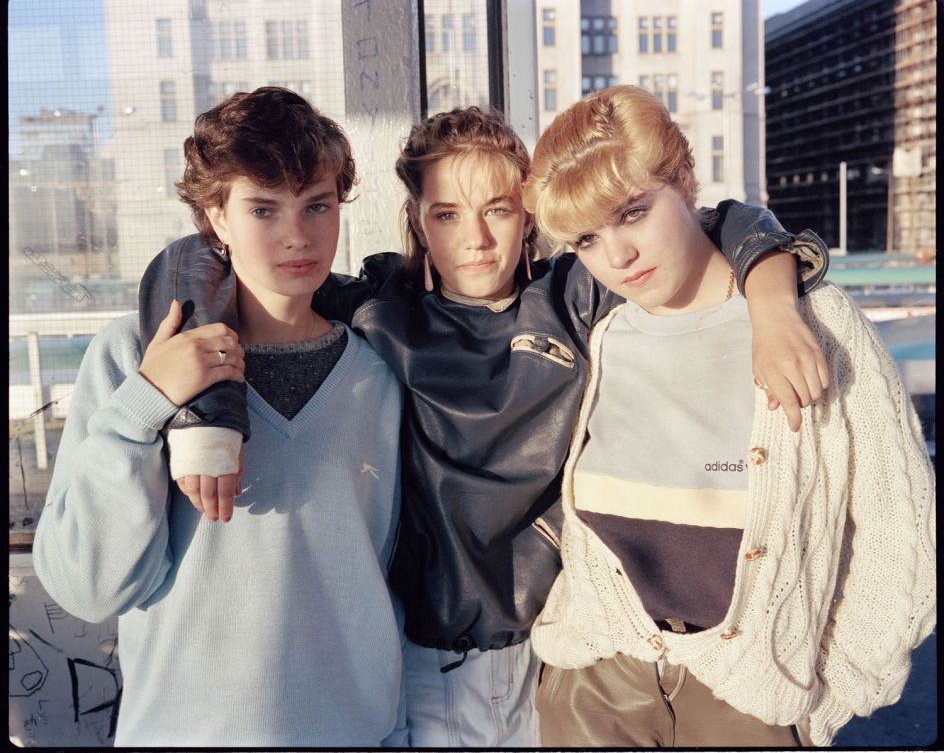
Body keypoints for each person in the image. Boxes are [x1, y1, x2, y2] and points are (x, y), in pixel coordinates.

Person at [136, 101, 831, 746]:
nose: (475, 239)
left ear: (528, 217)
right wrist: (205, 419)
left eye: (497, 209)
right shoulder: (379, 308)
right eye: (446, 215)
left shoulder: (573, 296)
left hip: (551, 657)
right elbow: (193, 259)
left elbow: (720, 223)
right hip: (419, 664)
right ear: (417, 223)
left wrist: (773, 307)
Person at [523, 85, 936, 747]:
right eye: (588, 239)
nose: (618, 256)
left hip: (751, 695)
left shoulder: (815, 322)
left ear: (685, 181)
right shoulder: (604, 332)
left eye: (634, 213)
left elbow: (898, 520)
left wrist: (838, 684)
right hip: (595, 681)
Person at [32, 88, 407, 747]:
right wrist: (147, 399)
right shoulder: (133, 355)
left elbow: (389, 580)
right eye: (263, 208)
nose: (298, 235)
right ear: (217, 217)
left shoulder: (380, 374)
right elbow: (87, 588)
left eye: (317, 205)